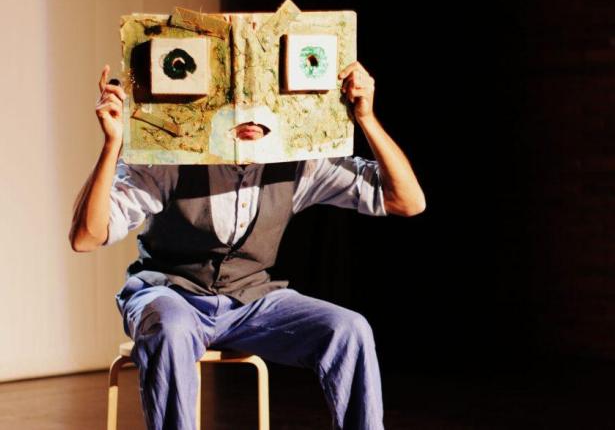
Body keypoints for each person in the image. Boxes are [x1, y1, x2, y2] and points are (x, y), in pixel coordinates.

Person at [69, 61, 426, 430]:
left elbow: (407, 201)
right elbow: (85, 237)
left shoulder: (299, 165)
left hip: (251, 301)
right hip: (171, 295)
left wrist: (366, 118)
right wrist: (112, 144)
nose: (249, 113)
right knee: (171, 327)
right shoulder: (170, 161)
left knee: (350, 329)